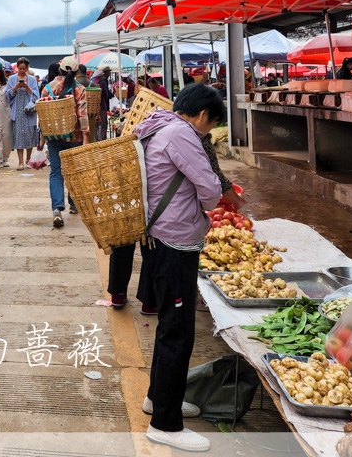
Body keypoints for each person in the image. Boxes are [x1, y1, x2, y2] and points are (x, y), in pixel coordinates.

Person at [135, 84, 224, 452]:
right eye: (211, 124)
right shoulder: (181, 134)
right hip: (175, 241)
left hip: (158, 237)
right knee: (178, 333)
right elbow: (210, 188)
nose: (208, 132)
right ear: (202, 115)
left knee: (169, 328)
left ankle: (158, 398)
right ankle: (166, 425)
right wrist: (216, 193)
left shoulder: (156, 125)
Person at [107, 107, 243, 314]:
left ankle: (118, 294)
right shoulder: (187, 134)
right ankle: (150, 301)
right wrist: (219, 203)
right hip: (167, 217)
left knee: (128, 239)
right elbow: (212, 179)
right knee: (153, 244)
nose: (211, 129)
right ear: (202, 114)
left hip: (132, 192)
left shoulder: (149, 124)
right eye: (213, 123)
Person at [40, 56, 89, 227]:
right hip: (74, 136)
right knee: (73, 172)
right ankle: (74, 204)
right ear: (76, 72)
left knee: (56, 172)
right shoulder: (80, 89)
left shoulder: (47, 88)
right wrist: (85, 137)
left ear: (59, 70)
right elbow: (82, 114)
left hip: (54, 137)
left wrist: (41, 138)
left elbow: (43, 116)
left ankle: (56, 209)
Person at [4, 57, 40, 170]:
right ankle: (20, 162)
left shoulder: (32, 80)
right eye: (20, 68)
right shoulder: (12, 79)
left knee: (29, 135)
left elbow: (37, 96)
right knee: (18, 136)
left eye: (24, 68)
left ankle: (28, 159)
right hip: (17, 112)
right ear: (17, 68)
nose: (22, 71)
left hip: (29, 112)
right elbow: (7, 96)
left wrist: (29, 88)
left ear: (27, 68)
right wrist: (15, 88)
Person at [91, 65, 114, 141]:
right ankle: (102, 139)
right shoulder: (103, 82)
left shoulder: (91, 83)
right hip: (102, 106)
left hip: (93, 107)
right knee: (103, 124)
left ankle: (96, 139)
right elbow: (106, 94)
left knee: (96, 124)